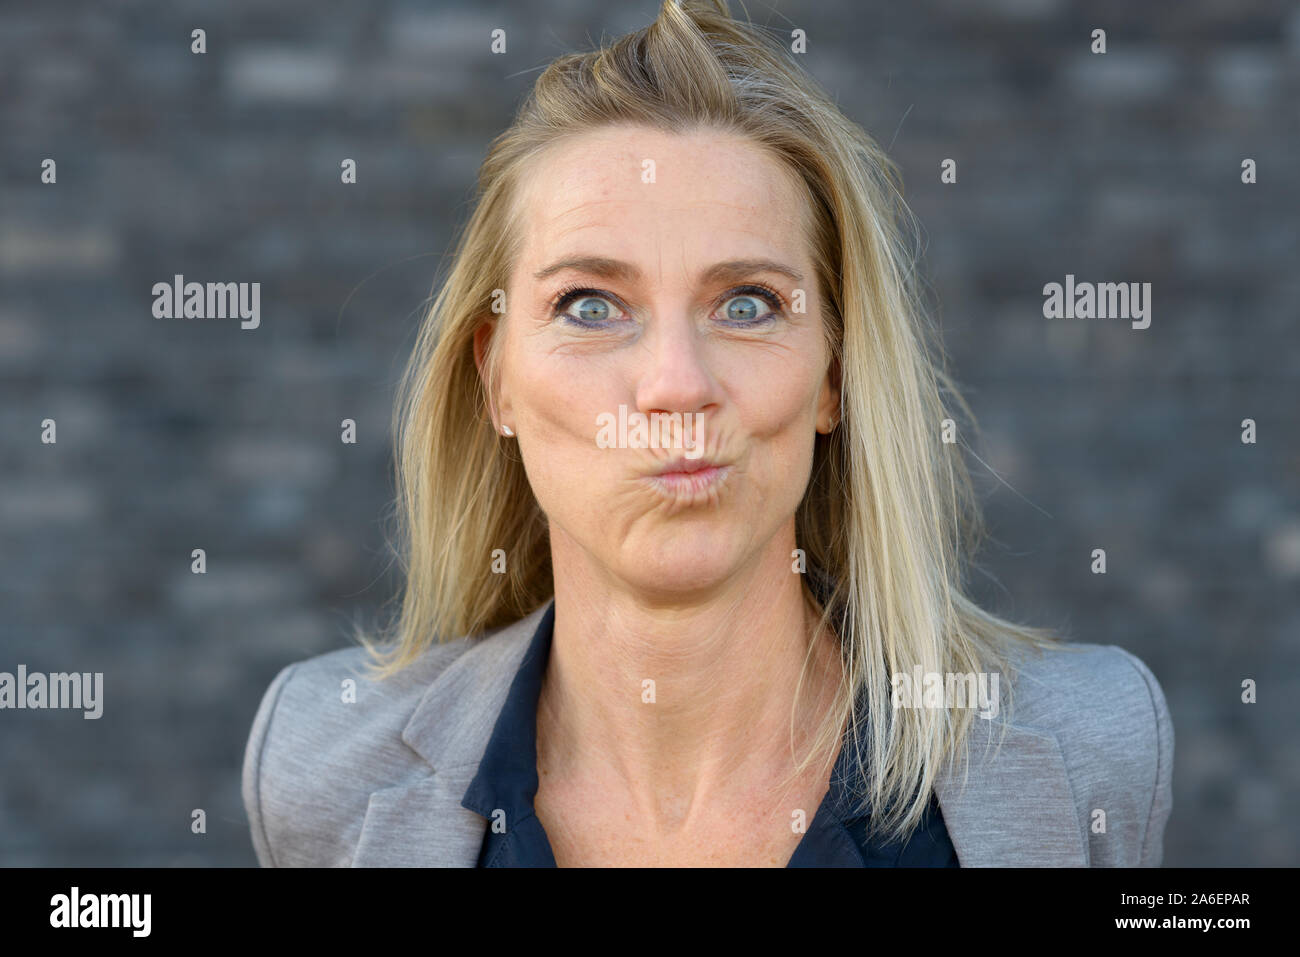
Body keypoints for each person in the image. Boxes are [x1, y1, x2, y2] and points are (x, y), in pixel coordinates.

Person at [242, 0, 1172, 867]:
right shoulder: (322, 765)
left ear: (834, 377)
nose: (677, 384)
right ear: (497, 380)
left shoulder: (1090, 754)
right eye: (591, 305)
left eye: (747, 303)